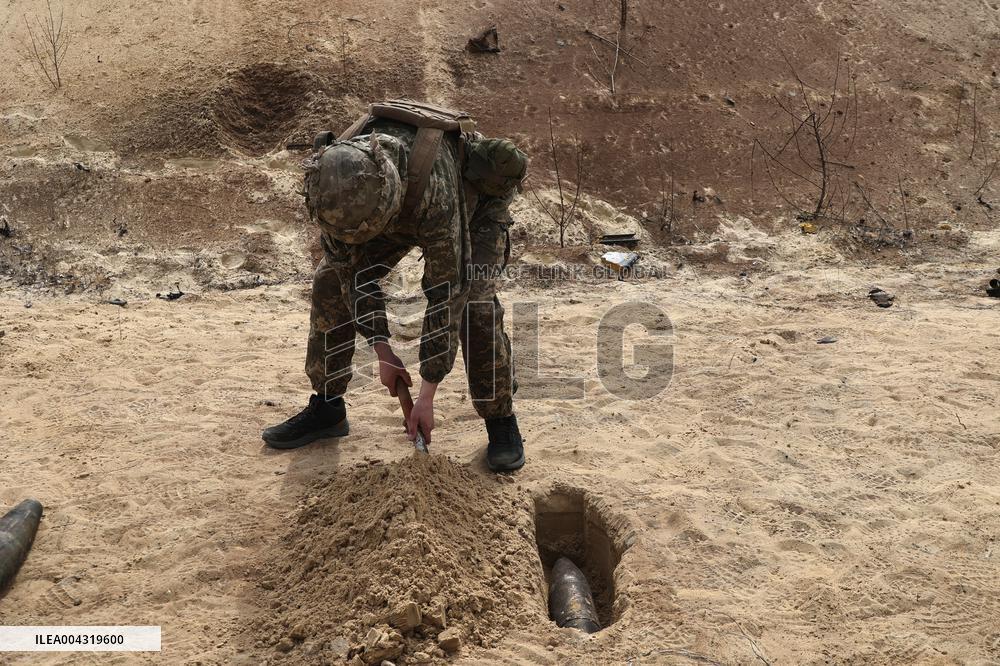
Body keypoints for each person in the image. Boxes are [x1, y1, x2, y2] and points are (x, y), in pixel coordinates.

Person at [262, 106, 528, 472]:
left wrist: (427, 393)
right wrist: (383, 351)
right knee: (329, 280)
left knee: (475, 303)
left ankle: (500, 420)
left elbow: (447, 292)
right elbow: (352, 275)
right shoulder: (332, 186)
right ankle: (327, 406)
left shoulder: (437, 191)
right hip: (394, 209)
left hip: (472, 205)